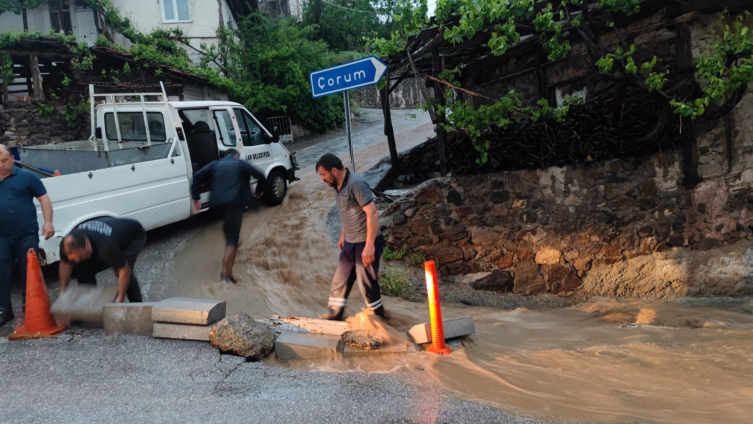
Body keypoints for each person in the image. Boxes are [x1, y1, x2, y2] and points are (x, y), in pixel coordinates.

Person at [316, 154, 386, 321]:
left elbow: (373, 213)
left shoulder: (357, 184)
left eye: (323, 174)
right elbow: (345, 212)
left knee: (366, 283)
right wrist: (342, 235)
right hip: (350, 241)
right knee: (340, 280)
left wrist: (370, 246)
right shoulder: (337, 186)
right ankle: (335, 315)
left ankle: (379, 320)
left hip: (366, 241)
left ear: (333, 170)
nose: (322, 179)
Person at [191, 148, 267, 283]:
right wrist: (258, 192)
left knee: (229, 228)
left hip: (215, 204)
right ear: (236, 155)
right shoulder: (241, 163)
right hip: (234, 203)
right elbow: (261, 175)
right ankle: (226, 276)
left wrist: (196, 197)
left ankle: (234, 243)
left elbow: (196, 175)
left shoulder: (215, 164)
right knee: (232, 239)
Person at [0, 144, 55, 327]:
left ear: (12, 159)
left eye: (4, 160)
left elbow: (44, 198)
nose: (1, 164)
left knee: (29, 272)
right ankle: (4, 310)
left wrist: (48, 222)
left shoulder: (26, 177)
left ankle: (30, 307)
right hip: (1, 237)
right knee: (2, 273)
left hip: (26, 234)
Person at [58, 217, 145, 303]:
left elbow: (124, 270)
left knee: (123, 268)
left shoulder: (106, 248)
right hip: (106, 238)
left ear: (87, 244)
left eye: (79, 256)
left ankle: (137, 304)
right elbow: (65, 263)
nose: (77, 260)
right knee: (81, 268)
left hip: (133, 236)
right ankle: (89, 303)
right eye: (74, 258)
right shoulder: (67, 244)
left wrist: (120, 299)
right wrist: (62, 292)